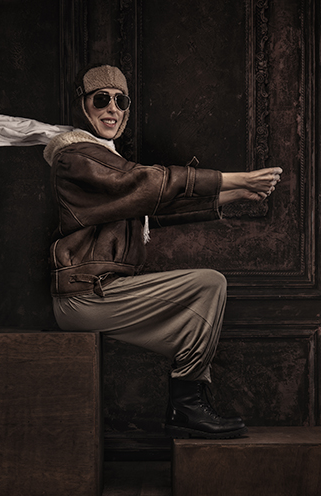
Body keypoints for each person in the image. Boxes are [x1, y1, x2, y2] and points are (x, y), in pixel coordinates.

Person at [43, 65, 281, 439]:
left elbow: (157, 207)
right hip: (85, 295)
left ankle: (187, 404)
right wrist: (231, 178)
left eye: (121, 101)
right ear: (82, 106)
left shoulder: (104, 158)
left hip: (102, 290)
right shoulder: (75, 157)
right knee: (208, 285)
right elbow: (147, 182)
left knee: (202, 303)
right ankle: (187, 405)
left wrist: (235, 194)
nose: (112, 109)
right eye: (101, 99)